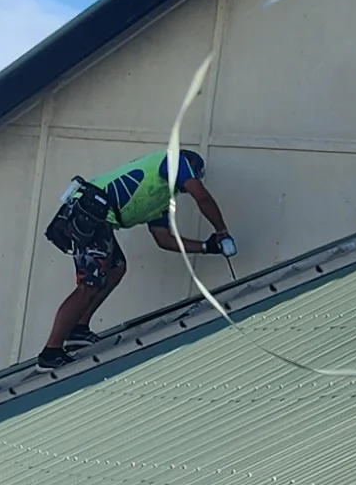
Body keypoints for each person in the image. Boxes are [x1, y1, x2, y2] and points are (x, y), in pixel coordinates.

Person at [36, 146, 235, 364]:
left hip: (96, 215)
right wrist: (221, 230)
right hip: (89, 210)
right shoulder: (174, 160)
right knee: (88, 286)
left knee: (116, 269)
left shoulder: (162, 198)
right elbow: (202, 196)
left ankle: (78, 330)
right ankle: (50, 352)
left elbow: (164, 239)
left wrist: (206, 247)